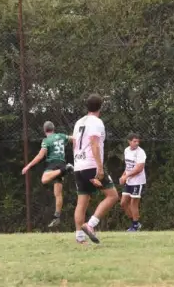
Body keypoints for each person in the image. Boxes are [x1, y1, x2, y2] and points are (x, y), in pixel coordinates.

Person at [72, 94, 119, 244]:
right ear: (100, 107)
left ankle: (80, 238)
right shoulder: (97, 122)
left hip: (78, 165)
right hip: (91, 165)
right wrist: (99, 167)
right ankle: (90, 225)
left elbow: (74, 143)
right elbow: (94, 143)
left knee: (82, 201)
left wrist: (77, 162)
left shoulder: (79, 122)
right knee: (112, 196)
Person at [22, 121, 74, 227]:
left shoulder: (46, 140)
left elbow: (40, 156)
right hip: (61, 162)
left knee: (44, 179)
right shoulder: (61, 136)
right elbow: (73, 138)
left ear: (44, 130)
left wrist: (28, 166)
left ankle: (66, 168)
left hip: (54, 164)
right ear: (53, 128)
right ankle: (57, 217)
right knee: (58, 194)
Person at [119, 133, 146, 232]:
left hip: (138, 181)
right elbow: (128, 166)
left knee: (133, 204)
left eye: (138, 141)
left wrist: (127, 176)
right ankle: (136, 223)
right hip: (129, 181)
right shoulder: (126, 150)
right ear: (129, 141)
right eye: (134, 141)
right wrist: (123, 176)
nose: (137, 143)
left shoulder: (141, 152)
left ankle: (135, 226)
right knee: (123, 203)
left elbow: (139, 168)